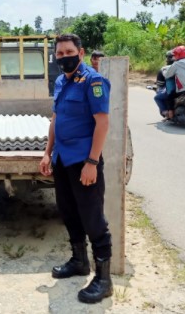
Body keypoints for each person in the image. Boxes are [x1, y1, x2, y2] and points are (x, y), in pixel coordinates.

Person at [39, 34, 113, 304]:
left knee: (93, 218)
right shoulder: (60, 81)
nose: (64, 56)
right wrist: (47, 153)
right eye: (59, 53)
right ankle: (79, 261)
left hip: (84, 162)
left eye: (68, 51)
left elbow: (102, 124)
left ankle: (104, 279)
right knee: (68, 212)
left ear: (80, 53)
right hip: (61, 160)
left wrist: (92, 162)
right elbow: (56, 120)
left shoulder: (93, 81)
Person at [153, 50, 176, 118]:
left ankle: (166, 112)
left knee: (157, 98)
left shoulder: (164, 69)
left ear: (168, 59)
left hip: (175, 90)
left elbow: (160, 84)